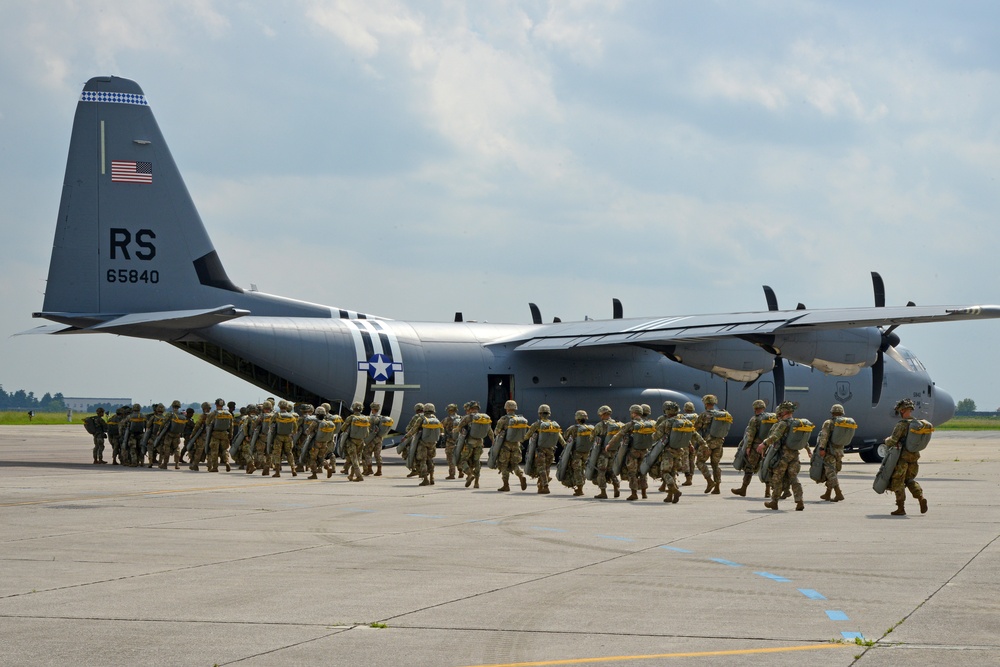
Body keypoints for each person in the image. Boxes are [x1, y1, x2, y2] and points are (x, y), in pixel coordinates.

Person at [758, 401, 807, 511]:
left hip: (783, 456)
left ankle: (774, 502)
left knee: (777, 478)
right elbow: (803, 441)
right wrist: (808, 450)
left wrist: (764, 444)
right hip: (794, 455)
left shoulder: (783, 423)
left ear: (784, 411)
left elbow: (775, 436)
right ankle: (799, 501)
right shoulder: (797, 423)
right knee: (794, 478)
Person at [885, 398, 929, 516]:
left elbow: (893, 440)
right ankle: (921, 497)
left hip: (902, 459)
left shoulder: (901, 424)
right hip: (914, 458)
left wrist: (886, 441)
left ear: (903, 410)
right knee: (910, 480)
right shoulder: (918, 424)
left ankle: (901, 508)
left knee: (898, 481)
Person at [606, 404, 655, 501]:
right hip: (645, 452)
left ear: (634, 413)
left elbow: (619, 435)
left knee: (632, 473)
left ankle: (634, 494)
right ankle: (644, 493)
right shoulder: (648, 424)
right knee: (642, 472)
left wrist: (609, 444)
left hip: (633, 452)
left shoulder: (631, 424)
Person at [732, 399, 769, 497]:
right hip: (767, 447)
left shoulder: (754, 419)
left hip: (756, 448)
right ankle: (768, 491)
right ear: (763, 407)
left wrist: (748, 447)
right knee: (766, 467)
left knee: (749, 467)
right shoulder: (770, 418)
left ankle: (743, 489)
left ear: (755, 408)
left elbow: (751, 434)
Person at [524, 404, 563, 495]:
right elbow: (559, 436)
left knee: (541, 468)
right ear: (549, 414)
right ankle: (541, 485)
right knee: (547, 467)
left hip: (540, 450)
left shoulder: (537, 424)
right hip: (551, 450)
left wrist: (520, 439)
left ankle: (545, 486)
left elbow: (527, 435)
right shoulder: (554, 425)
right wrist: (564, 444)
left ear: (539, 413)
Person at [653, 401, 687, 503]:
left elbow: (655, 436)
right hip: (679, 451)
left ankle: (675, 490)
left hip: (667, 451)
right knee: (672, 473)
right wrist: (703, 444)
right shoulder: (683, 421)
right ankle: (670, 496)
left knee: (665, 472)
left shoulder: (665, 422)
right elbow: (693, 434)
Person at [694, 394, 728, 494]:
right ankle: (717, 487)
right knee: (715, 465)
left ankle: (709, 481)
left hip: (707, 444)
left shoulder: (704, 415)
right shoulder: (720, 415)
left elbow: (696, 428)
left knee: (700, 462)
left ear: (705, 403)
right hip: (719, 443)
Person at [493, 400, 529, 492]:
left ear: (506, 408)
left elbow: (496, 432)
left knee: (504, 465)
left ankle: (506, 485)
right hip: (517, 445)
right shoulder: (519, 419)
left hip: (505, 446)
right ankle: (521, 475)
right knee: (515, 464)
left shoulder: (503, 419)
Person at [816, 404, 849, 502]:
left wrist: (821, 448)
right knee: (833, 472)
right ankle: (828, 493)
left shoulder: (828, 423)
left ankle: (839, 493)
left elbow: (824, 436)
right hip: (840, 451)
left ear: (832, 412)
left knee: (830, 473)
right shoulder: (844, 423)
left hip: (830, 451)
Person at [591, 405, 621, 499]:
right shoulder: (617, 424)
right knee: (610, 470)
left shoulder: (600, 425)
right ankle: (616, 486)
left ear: (602, 414)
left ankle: (603, 492)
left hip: (603, 452)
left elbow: (592, 438)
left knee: (601, 471)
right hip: (613, 451)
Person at [562, 410, 594, 496]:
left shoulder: (573, 428)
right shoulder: (591, 428)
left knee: (577, 470)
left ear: (577, 419)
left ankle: (579, 489)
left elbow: (565, 436)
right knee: (582, 469)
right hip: (587, 453)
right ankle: (581, 487)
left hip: (577, 453)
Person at [338, 401, 370, 482]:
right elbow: (368, 432)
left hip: (351, 441)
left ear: (353, 408)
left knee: (353, 459)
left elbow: (342, 428)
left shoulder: (351, 418)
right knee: (356, 459)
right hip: (361, 441)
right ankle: (351, 475)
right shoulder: (365, 418)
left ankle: (359, 476)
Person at [269, 400, 299, 478]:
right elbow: (295, 427)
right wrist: (293, 433)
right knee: (289, 453)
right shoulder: (291, 416)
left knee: (277, 454)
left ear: (279, 406)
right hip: (288, 437)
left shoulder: (277, 415)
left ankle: (277, 472)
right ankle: (293, 469)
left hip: (278, 437)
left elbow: (270, 424)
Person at [159, 400, 188, 470]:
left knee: (167, 448)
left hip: (169, 434)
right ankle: (177, 464)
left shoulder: (170, 414)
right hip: (177, 434)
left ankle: (165, 464)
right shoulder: (181, 415)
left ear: (172, 406)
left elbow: (163, 423)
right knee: (177, 449)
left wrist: (160, 430)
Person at [441, 404, 462, 479]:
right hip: (460, 441)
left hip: (450, 441)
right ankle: (461, 471)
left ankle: (452, 474)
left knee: (450, 458)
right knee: (459, 456)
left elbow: (440, 427)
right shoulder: (461, 418)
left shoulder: (447, 419)